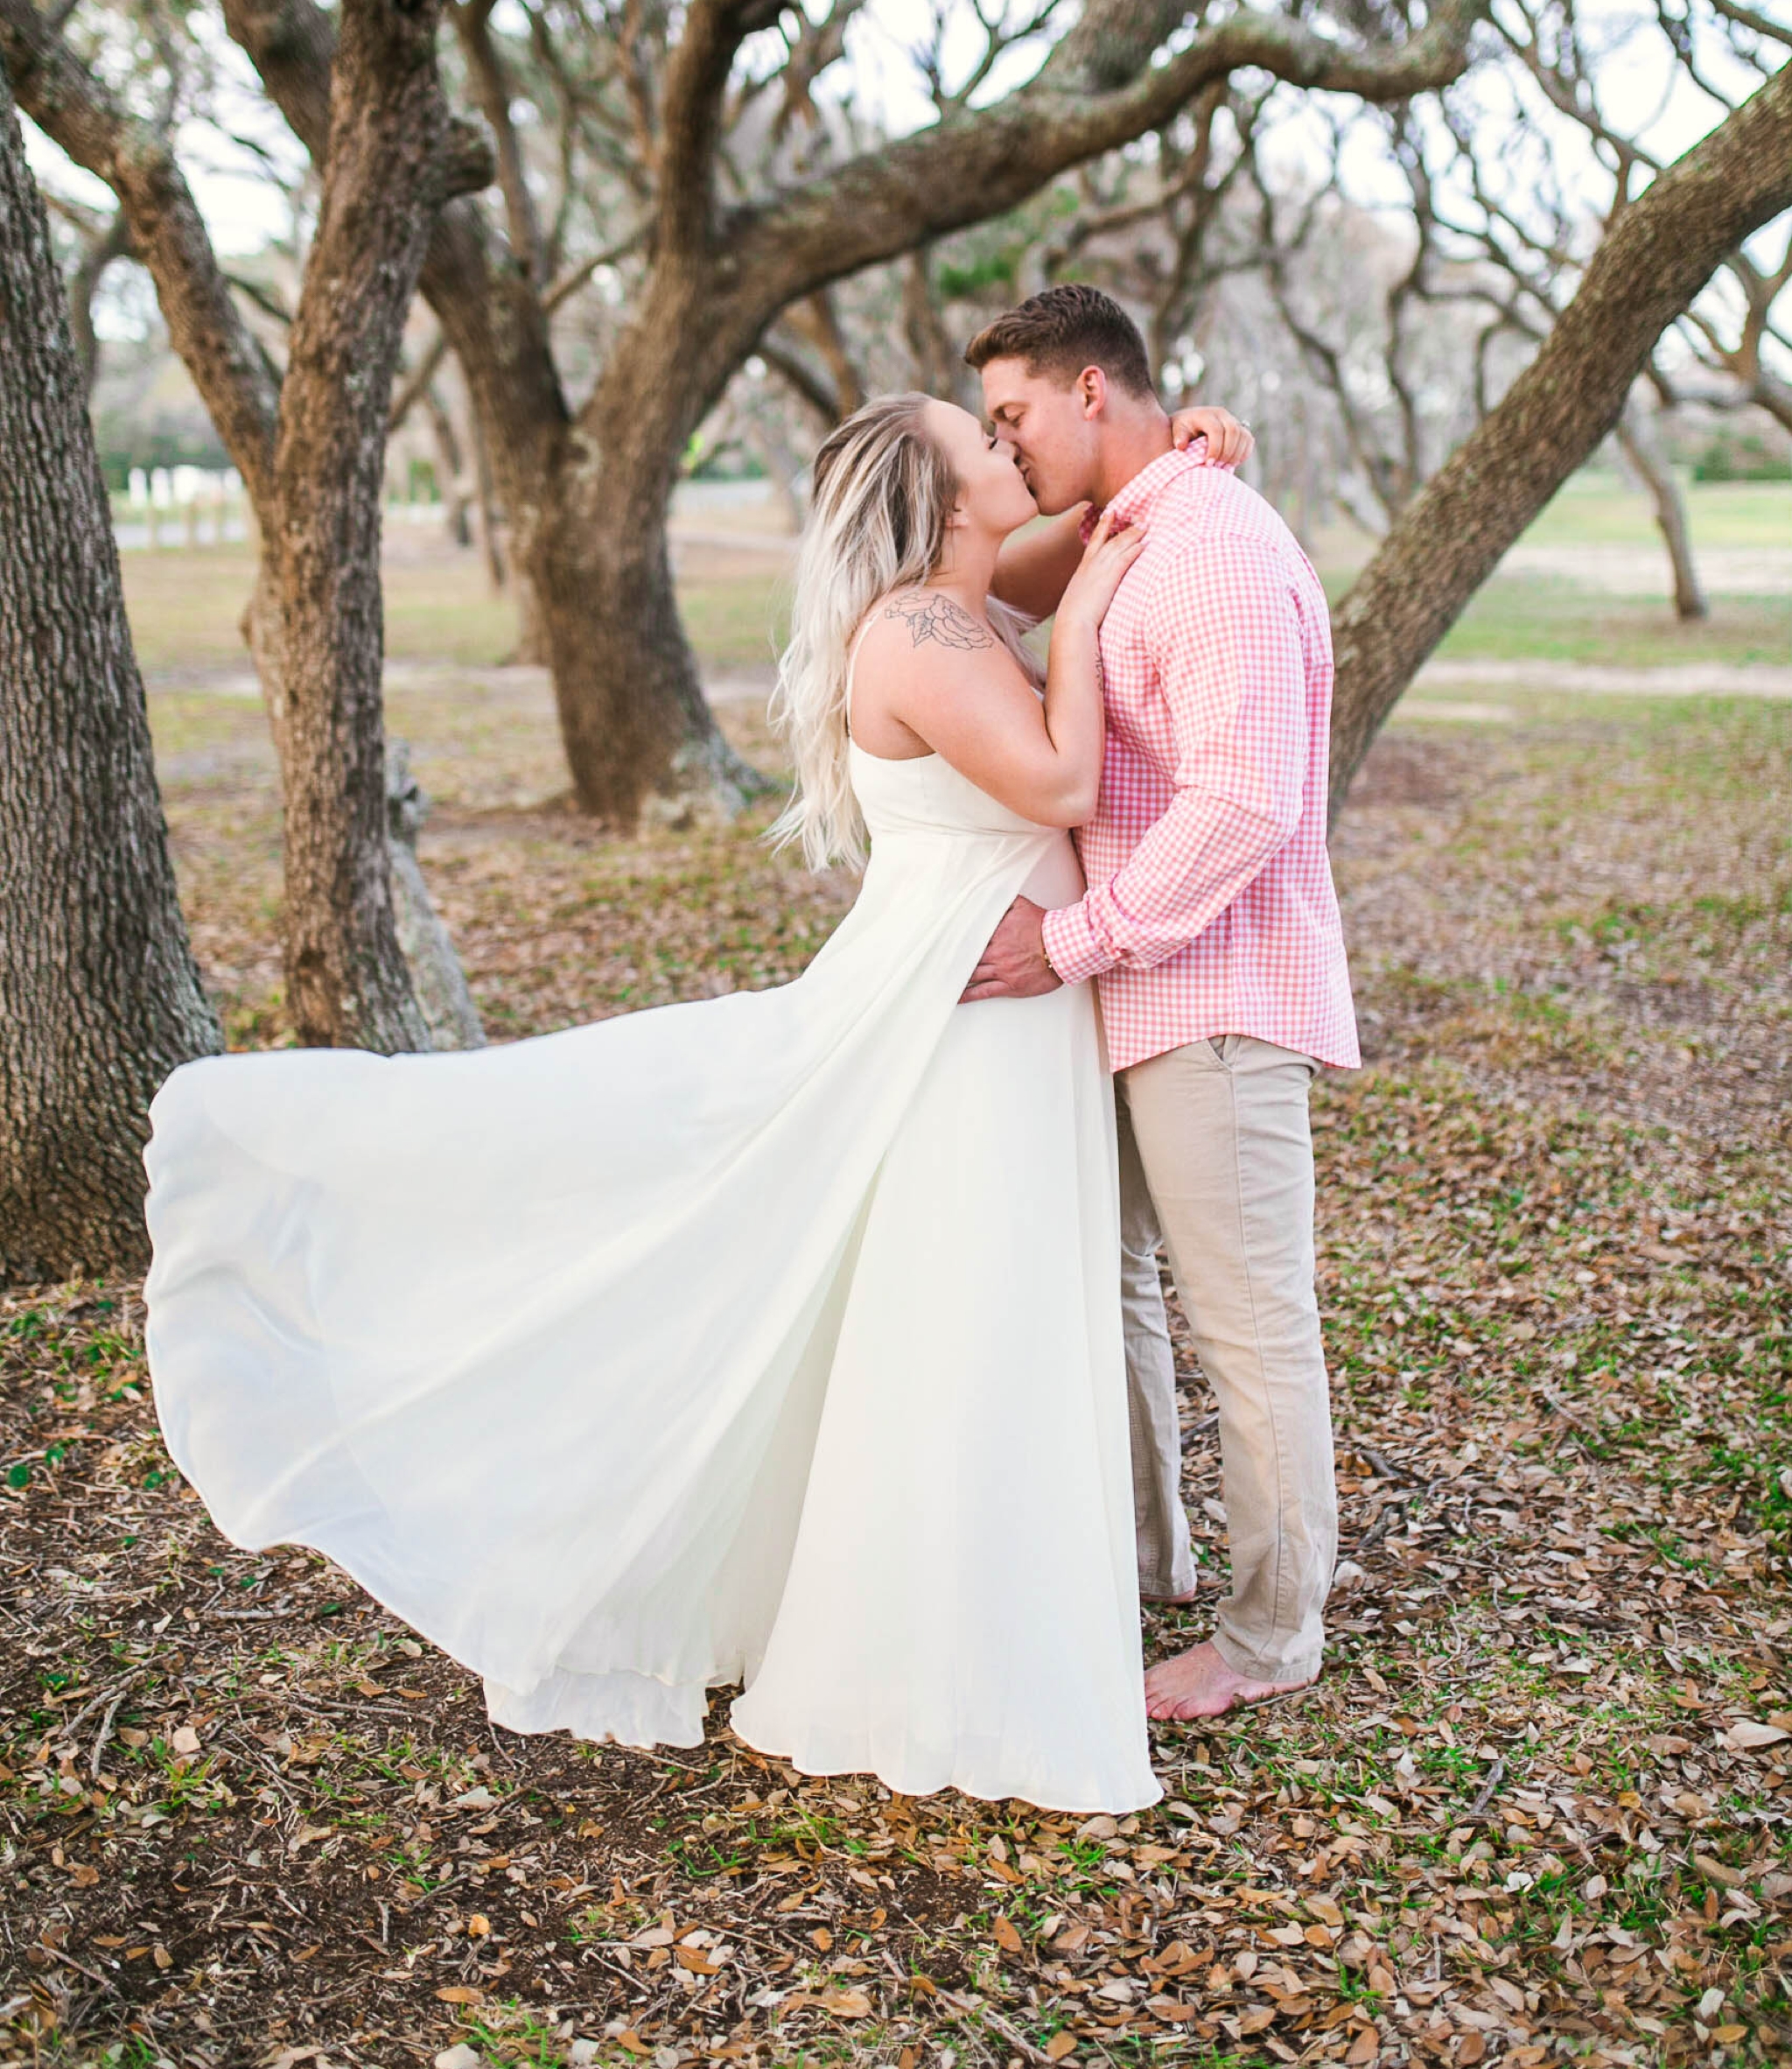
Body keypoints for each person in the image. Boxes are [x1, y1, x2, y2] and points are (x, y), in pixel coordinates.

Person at [143, 387, 1249, 1813]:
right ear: (938, 494)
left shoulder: (971, 597)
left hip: (1005, 1004)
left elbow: (1098, 523)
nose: (1007, 447)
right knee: (961, 1299)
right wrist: (1091, 613)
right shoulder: (917, 632)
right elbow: (1060, 777)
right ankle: (936, 1654)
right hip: (959, 1018)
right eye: (984, 442)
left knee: (978, 1301)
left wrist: (1182, 452)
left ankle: (989, 1598)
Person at [963, 285, 1359, 1722]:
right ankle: (1150, 1557)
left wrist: (1074, 939)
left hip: (1219, 994)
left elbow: (1245, 802)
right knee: (1118, 1282)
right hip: (1141, 990)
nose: (1005, 454)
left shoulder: (1212, 555)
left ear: (1088, 391)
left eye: (1014, 418)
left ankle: (1271, 1636)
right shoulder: (1127, 528)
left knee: (1249, 1324)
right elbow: (982, 571)